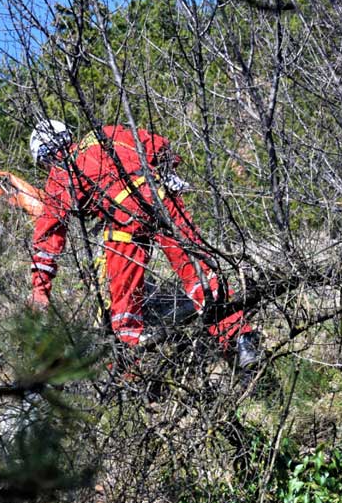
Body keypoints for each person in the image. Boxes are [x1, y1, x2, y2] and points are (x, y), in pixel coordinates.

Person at [26, 119, 261, 367]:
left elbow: (48, 239)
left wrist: (40, 291)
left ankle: (129, 373)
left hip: (124, 223)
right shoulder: (106, 133)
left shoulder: (62, 172)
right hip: (162, 200)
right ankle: (241, 340)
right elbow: (158, 145)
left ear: (46, 156)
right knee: (200, 277)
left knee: (124, 309)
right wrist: (168, 172)